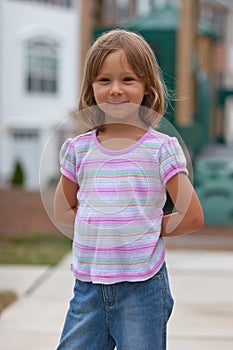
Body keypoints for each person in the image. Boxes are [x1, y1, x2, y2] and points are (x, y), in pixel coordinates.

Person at [54, 29, 204, 350]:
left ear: (147, 87)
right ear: (90, 87)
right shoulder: (77, 149)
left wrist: (145, 226)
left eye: (128, 79)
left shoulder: (161, 148)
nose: (116, 90)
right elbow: (62, 210)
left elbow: (191, 216)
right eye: (104, 80)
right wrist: (100, 225)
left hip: (143, 289)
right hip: (89, 288)